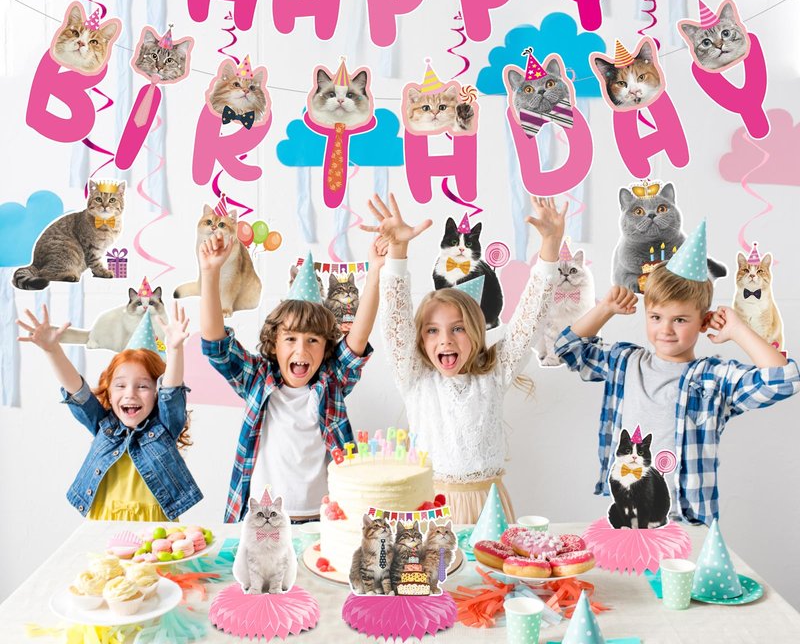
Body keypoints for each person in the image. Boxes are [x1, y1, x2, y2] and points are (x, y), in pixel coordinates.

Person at [364, 193, 566, 524]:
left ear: (476, 331)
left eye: (457, 329)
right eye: (432, 331)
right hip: (430, 508)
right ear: (420, 339)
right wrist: (397, 253)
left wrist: (550, 246)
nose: (445, 339)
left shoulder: (495, 374)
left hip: (488, 507)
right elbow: (394, 323)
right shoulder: (415, 378)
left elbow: (529, 321)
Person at [555, 257, 799, 525]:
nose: (666, 330)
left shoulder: (712, 378)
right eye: (656, 317)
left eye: (680, 319)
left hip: (687, 522)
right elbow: (568, 348)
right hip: (630, 514)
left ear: (703, 322)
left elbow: (784, 380)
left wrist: (738, 330)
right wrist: (605, 309)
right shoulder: (624, 363)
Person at [200, 233, 385, 523]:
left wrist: (374, 273)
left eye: (313, 340)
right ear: (274, 342)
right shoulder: (257, 379)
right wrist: (210, 273)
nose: (301, 350)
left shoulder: (331, 382)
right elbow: (216, 345)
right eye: (290, 339)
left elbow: (358, 337)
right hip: (262, 518)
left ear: (326, 347)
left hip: (321, 519)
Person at [16, 303, 200, 521]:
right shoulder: (104, 425)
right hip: (103, 523)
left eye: (142, 386)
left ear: (156, 394)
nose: (130, 394)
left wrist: (175, 350)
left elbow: (171, 393)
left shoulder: (164, 429)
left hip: (152, 527)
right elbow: (78, 392)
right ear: (109, 394)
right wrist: (53, 350)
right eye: (120, 385)